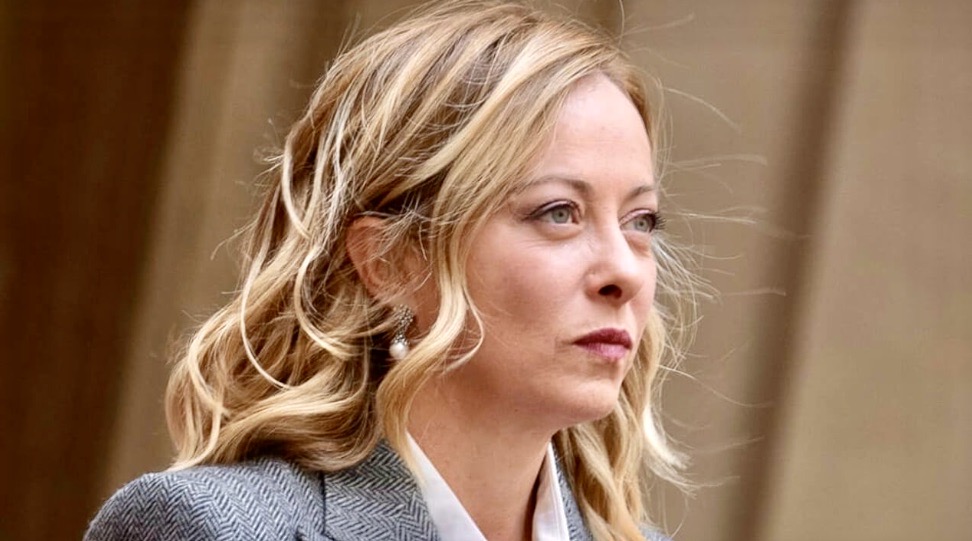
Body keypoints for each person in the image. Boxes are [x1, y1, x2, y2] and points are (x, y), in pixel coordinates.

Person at [85, 1, 696, 539]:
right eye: (558, 212)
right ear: (389, 262)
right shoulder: (212, 529)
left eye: (640, 222)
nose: (624, 272)